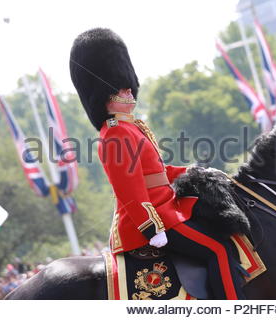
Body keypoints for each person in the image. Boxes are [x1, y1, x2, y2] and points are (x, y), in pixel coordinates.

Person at [69, 28, 244, 299]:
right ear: (104, 92)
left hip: (168, 207)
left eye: (128, 85)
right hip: (150, 220)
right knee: (218, 250)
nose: (128, 90)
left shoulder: (131, 127)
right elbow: (130, 190)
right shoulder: (114, 133)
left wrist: (194, 171)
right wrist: (151, 227)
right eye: (120, 87)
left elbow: (157, 173)